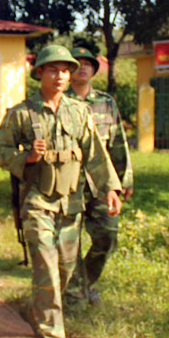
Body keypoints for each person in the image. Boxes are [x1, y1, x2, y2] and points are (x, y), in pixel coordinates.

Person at [0, 44, 121, 338]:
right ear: (40, 73)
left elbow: (95, 153)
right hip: (37, 202)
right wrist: (26, 158)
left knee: (65, 270)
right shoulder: (22, 113)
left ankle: (37, 311)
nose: (60, 76)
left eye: (65, 70)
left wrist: (110, 188)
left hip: (71, 203)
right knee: (46, 270)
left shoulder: (79, 112)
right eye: (53, 69)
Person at [64, 46, 134, 306]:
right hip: (68, 183)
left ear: (94, 69)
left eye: (88, 64)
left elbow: (117, 142)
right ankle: (73, 293)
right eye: (77, 63)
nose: (82, 68)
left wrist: (123, 180)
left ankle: (85, 283)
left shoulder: (106, 102)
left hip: (100, 184)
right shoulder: (59, 100)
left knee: (107, 236)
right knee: (69, 242)